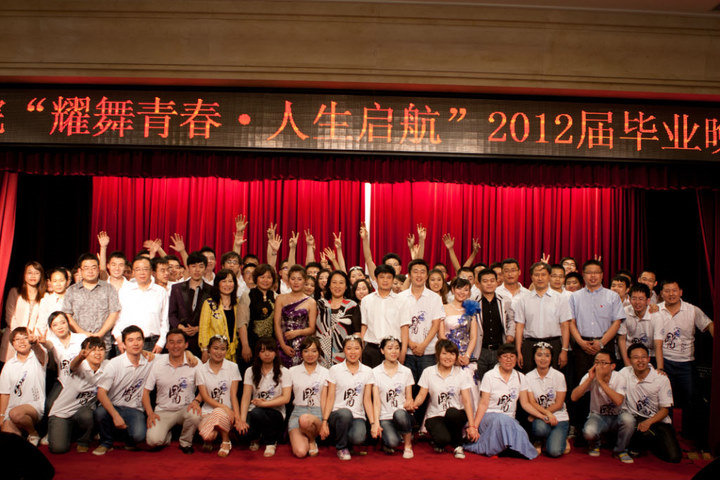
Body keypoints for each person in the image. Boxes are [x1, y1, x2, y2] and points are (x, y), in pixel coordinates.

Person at [654, 280, 713, 443]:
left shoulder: (692, 310)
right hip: (664, 360)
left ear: (680, 292)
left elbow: (709, 324)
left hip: (687, 362)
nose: (671, 294)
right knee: (665, 400)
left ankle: (690, 434)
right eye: (667, 291)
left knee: (692, 398)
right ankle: (668, 435)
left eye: (674, 290)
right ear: (661, 293)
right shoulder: (656, 310)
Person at [464, 343, 542, 459]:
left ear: (516, 359)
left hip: (510, 420)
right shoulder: (490, 376)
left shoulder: (520, 377)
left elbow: (525, 404)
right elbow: (483, 404)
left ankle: (499, 449)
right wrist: (474, 427)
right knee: (501, 419)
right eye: (505, 356)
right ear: (499, 358)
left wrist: (543, 416)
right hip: (489, 418)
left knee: (513, 425)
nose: (508, 360)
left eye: (512, 356)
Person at [93, 325, 154, 455]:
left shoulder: (149, 360)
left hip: (134, 408)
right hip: (113, 406)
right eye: (130, 340)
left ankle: (128, 440)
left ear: (143, 342)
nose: (135, 343)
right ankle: (106, 442)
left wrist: (188, 354)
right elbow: (101, 393)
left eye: (138, 339)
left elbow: (172, 356)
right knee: (100, 413)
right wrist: (115, 416)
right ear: (124, 344)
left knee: (139, 436)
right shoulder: (114, 364)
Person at [617, 343, 681, 463]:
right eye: (636, 357)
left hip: (658, 420)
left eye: (643, 357)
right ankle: (636, 444)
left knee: (674, 457)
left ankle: (650, 443)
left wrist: (649, 422)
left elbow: (665, 410)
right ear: (629, 360)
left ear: (649, 358)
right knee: (639, 430)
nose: (640, 361)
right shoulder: (625, 373)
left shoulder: (660, 378)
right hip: (635, 418)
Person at [142, 329, 201, 454]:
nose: (175, 346)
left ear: (186, 345)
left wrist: (197, 401)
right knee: (153, 441)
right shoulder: (157, 363)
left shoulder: (194, 362)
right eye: (171, 342)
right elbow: (146, 392)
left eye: (179, 342)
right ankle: (166, 435)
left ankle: (185, 442)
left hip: (185, 408)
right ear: (167, 345)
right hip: (163, 410)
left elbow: (205, 387)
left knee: (195, 414)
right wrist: (150, 413)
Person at [413, 340, 475, 459]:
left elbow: (467, 401)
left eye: (452, 354)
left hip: (456, 414)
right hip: (436, 415)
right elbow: (421, 395)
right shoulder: (428, 372)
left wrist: (472, 426)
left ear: (456, 356)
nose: (448, 357)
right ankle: (441, 439)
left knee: (452, 412)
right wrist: (413, 405)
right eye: (444, 353)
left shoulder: (461, 374)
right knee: (443, 439)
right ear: (438, 355)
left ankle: (458, 446)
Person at [47, 336, 106, 454]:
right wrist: (80, 357)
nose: (98, 353)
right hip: (62, 413)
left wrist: (143, 353)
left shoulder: (107, 366)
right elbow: (72, 366)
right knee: (58, 449)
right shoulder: (81, 365)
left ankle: (83, 441)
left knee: (87, 415)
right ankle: (62, 431)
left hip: (83, 411)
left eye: (101, 349)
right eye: (93, 350)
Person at [319, 335, 374, 461]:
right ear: (344, 350)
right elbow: (330, 397)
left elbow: (367, 400)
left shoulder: (368, 371)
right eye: (349, 348)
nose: (353, 352)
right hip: (338, 414)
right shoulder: (335, 369)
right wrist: (324, 421)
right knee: (345, 413)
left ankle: (345, 440)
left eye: (356, 348)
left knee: (358, 438)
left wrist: (373, 423)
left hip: (357, 416)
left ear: (362, 350)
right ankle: (341, 448)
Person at [570, 349, 629, 462]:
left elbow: (618, 401)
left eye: (603, 363)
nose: (599, 366)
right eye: (596, 362)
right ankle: (595, 445)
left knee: (629, 420)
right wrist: (589, 379)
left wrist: (601, 381)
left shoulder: (619, 377)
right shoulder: (590, 376)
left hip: (618, 416)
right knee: (589, 432)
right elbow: (574, 397)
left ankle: (620, 450)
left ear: (612, 366)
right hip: (598, 416)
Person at [399, 259, 445, 403]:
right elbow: (398, 325)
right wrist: (410, 343)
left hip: (429, 351)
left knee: (427, 390)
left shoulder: (435, 298)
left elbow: (436, 324)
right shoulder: (400, 297)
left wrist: (423, 345)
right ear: (409, 275)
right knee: (407, 389)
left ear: (427, 275)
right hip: (407, 352)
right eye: (415, 272)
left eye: (422, 272)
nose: (419, 275)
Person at [237, 337, 291, 457]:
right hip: (254, 410)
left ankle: (271, 442)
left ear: (275, 353)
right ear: (258, 353)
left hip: (275, 412)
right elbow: (246, 397)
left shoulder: (284, 372)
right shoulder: (250, 371)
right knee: (242, 433)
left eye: (270, 350)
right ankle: (256, 436)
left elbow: (286, 398)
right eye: (263, 351)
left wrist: (264, 404)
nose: (267, 354)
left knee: (258, 412)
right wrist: (242, 420)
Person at [514, 262, 572, 373]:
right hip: (529, 344)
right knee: (528, 378)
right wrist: (518, 351)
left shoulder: (560, 299)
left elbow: (565, 326)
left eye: (543, 275)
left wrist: (564, 350)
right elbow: (520, 326)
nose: (540, 278)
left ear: (549, 276)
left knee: (553, 378)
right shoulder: (523, 299)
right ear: (531, 277)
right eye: (536, 275)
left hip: (553, 344)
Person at [62, 253, 120, 352]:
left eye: (93, 267)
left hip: (103, 344)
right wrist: (82, 334)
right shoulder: (71, 290)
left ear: (98, 269)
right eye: (86, 268)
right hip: (78, 344)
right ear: (80, 271)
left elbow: (114, 313)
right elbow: (67, 315)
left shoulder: (109, 288)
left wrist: (100, 334)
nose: (90, 271)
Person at [196, 335, 242, 457]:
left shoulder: (233, 367)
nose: (219, 352)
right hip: (207, 411)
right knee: (207, 435)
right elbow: (205, 397)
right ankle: (219, 433)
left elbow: (233, 395)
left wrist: (237, 417)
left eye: (222, 349)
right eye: (215, 348)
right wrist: (224, 407)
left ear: (226, 350)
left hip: (227, 414)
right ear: (209, 349)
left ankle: (226, 441)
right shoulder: (201, 369)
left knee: (219, 412)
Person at [112, 256, 169, 354]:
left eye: (145, 269)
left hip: (152, 343)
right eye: (138, 269)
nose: (142, 273)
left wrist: (161, 342)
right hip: (126, 343)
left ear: (151, 271)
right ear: (133, 272)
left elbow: (164, 320)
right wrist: (118, 338)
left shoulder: (160, 292)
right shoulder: (124, 291)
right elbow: (116, 318)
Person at [0, 327, 47, 445]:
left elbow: (40, 352)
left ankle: (33, 433)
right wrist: (1, 416)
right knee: (8, 441)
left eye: (25, 338)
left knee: (16, 414)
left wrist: (35, 343)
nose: (22, 341)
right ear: (13, 344)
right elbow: (5, 393)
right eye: (17, 339)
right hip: (12, 409)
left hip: (34, 406)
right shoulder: (9, 365)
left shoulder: (38, 357)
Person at [371, 336, 415, 458]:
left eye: (396, 348)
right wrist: (376, 423)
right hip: (385, 416)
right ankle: (394, 436)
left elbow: (409, 397)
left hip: (402, 414)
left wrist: (410, 404)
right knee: (392, 442)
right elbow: (376, 402)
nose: (394, 351)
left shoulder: (406, 371)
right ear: (382, 351)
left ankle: (408, 445)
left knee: (400, 414)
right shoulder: (375, 372)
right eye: (390, 348)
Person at [525, 342, 571, 457]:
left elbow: (559, 404)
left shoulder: (559, 376)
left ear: (551, 358)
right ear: (534, 357)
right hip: (541, 417)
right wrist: (545, 415)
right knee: (539, 428)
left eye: (547, 355)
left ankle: (562, 437)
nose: (543, 359)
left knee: (554, 452)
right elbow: (531, 402)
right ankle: (540, 439)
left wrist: (539, 415)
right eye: (539, 355)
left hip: (558, 416)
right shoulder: (528, 377)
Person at [288, 336, 328, 458]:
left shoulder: (326, 373)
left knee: (305, 419)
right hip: (298, 412)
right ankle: (307, 438)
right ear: (301, 353)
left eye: (314, 351)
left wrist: (325, 421)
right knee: (300, 452)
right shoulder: (292, 371)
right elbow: (285, 395)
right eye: (306, 351)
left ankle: (311, 440)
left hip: (317, 413)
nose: (310, 354)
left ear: (319, 352)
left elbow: (325, 400)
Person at [360, 265, 407, 369]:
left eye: (389, 277)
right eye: (382, 277)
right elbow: (364, 326)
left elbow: (404, 328)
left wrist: (403, 351)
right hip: (371, 349)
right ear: (376, 279)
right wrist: (361, 349)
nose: (385, 280)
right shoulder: (366, 300)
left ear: (393, 279)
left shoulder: (402, 301)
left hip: (393, 349)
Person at [472, 268, 515, 381]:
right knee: (478, 382)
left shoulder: (505, 301)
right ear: (478, 284)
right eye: (485, 281)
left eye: (492, 280)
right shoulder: (473, 302)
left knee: (497, 382)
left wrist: (510, 334)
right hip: (480, 350)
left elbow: (511, 320)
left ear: (497, 282)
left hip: (499, 349)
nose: (489, 284)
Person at [169, 251, 213, 356]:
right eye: (193, 266)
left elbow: (214, 317)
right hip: (180, 340)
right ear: (188, 268)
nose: (197, 270)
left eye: (201, 266)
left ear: (205, 268)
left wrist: (199, 328)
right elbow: (171, 314)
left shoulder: (211, 290)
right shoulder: (176, 288)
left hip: (202, 342)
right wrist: (180, 327)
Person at [0, 261, 46, 363]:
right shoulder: (15, 292)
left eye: (36, 273)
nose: (33, 276)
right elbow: (10, 317)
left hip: (32, 341)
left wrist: (32, 337)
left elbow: (42, 319)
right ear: (24, 275)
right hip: (13, 338)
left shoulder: (44, 296)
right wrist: (22, 337)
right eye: (29, 272)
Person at [274, 265, 317, 368]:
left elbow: (312, 328)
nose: (296, 282)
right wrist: (283, 346)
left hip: (302, 346)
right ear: (288, 280)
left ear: (305, 281)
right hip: (282, 343)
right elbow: (276, 324)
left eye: (299, 279)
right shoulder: (280, 298)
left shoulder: (311, 302)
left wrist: (296, 332)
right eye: (293, 279)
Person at [317, 270, 361, 368]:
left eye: (341, 283)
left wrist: (356, 354)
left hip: (345, 356)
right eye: (334, 282)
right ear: (329, 285)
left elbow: (357, 333)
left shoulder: (352, 306)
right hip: (320, 355)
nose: (337, 286)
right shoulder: (320, 305)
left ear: (346, 286)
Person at [199, 269, 240, 362]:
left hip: (232, 353)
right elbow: (203, 329)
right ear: (218, 284)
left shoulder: (237, 304)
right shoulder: (209, 303)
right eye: (224, 281)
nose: (227, 285)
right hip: (213, 353)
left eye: (230, 281)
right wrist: (204, 350)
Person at [239, 264, 277, 369]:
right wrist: (245, 346)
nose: (265, 280)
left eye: (269, 277)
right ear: (256, 278)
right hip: (251, 343)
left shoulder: (276, 297)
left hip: (271, 345)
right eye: (262, 277)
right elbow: (242, 323)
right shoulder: (247, 295)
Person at [618, 284, 661, 367]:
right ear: (629, 299)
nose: (637, 302)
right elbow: (622, 339)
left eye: (641, 299)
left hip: (650, 354)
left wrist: (660, 368)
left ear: (648, 300)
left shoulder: (656, 315)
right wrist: (627, 363)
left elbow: (658, 344)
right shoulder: (624, 312)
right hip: (630, 353)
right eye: (634, 298)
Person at [439, 277, 478, 370]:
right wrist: (454, 355)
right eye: (459, 288)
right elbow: (441, 335)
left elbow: (473, 337)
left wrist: (467, 356)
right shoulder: (443, 308)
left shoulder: (471, 310)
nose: (462, 292)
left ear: (469, 293)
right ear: (453, 290)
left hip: (466, 355)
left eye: (466, 290)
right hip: (448, 353)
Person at [37, 267, 70, 337]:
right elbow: (42, 323)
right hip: (52, 339)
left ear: (67, 281)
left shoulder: (73, 298)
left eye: (61, 280)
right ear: (50, 282)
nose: (58, 284)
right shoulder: (46, 301)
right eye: (55, 281)